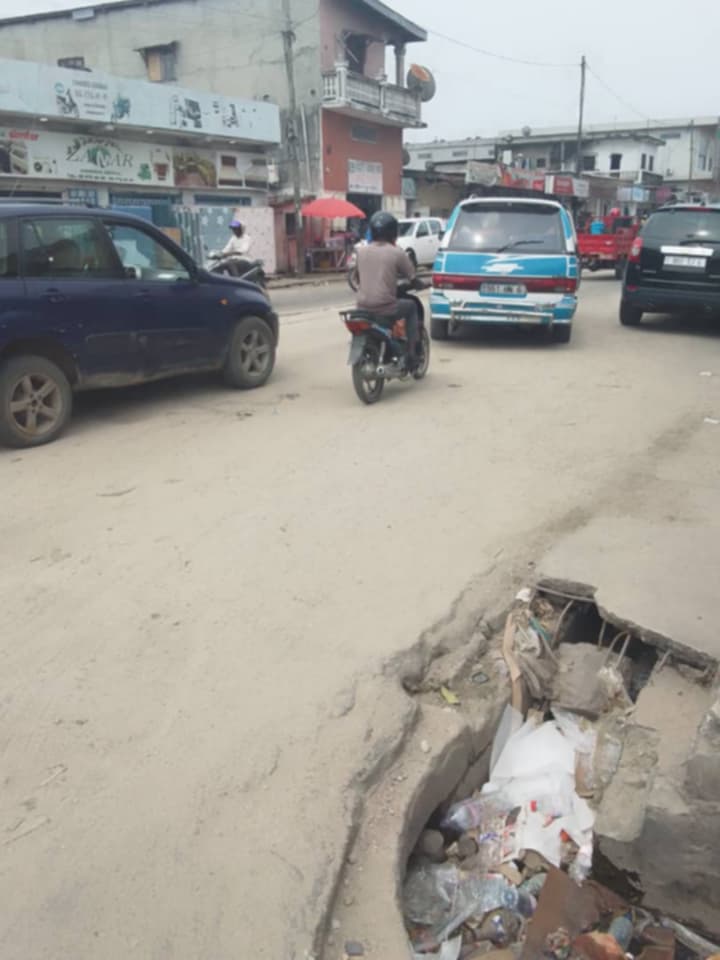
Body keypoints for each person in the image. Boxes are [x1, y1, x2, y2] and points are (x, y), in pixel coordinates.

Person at [356, 211, 419, 369]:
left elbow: (358, 278)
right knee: (411, 307)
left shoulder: (361, 251)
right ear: (393, 232)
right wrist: (422, 284)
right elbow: (413, 278)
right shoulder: (397, 252)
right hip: (385, 308)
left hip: (361, 308)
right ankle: (411, 355)